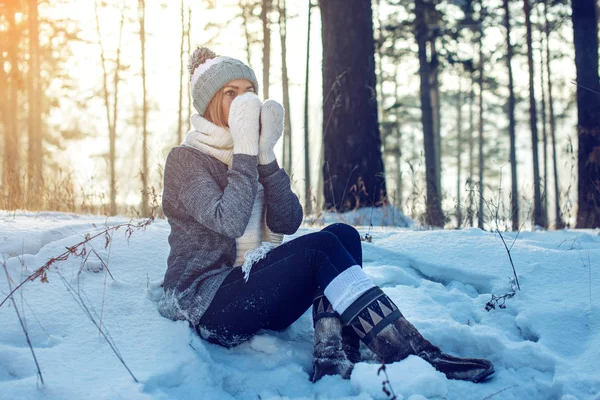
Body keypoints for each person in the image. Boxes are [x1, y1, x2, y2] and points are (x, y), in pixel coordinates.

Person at [158, 47, 494, 383]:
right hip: (207, 306)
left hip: (254, 294)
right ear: (210, 103)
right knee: (320, 248)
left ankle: (337, 352)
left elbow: (287, 221)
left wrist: (265, 156)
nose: (245, 103)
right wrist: (246, 151)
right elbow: (229, 220)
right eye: (231, 93)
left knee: (341, 236)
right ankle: (411, 351)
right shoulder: (186, 160)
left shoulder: (250, 152)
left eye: (250, 92)